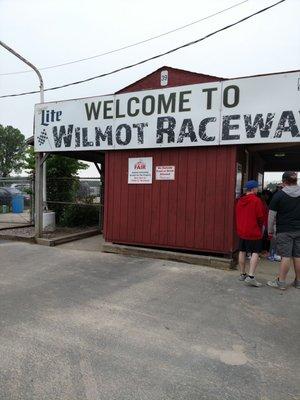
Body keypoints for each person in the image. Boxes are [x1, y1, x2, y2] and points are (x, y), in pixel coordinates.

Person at [267, 171, 300, 290]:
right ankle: (298, 282)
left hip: (284, 230)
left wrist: (269, 230)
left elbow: (271, 216)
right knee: (298, 256)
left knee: (286, 256)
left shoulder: (279, 195)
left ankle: (281, 283)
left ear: (284, 181)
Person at [236, 180, 265, 287]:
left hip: (242, 231)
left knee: (242, 251)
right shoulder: (256, 201)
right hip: (253, 231)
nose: (258, 189)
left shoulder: (240, 200)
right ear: (253, 189)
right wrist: (260, 227)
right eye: (257, 188)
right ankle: (251, 276)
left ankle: (242, 273)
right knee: (255, 252)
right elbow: (260, 217)